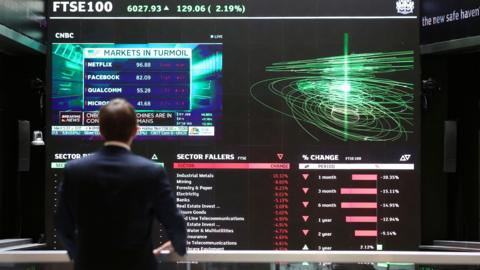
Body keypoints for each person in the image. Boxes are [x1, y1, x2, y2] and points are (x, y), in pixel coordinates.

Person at [56, 98, 186, 270]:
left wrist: (78, 255)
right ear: (135, 131)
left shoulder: (75, 170)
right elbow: (173, 221)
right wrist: (178, 245)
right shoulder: (151, 172)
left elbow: (63, 224)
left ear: (101, 130)